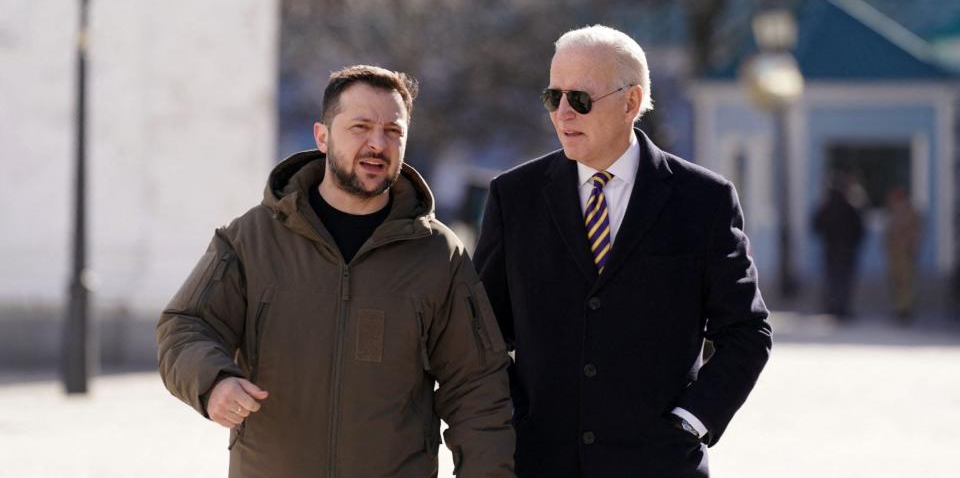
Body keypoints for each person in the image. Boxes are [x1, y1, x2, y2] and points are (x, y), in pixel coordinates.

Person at [157, 65, 514, 478]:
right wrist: (213, 381)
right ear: (322, 137)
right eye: (360, 127)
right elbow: (184, 326)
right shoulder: (251, 239)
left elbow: (478, 387)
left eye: (393, 132)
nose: (377, 144)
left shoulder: (439, 255)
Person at [474, 25, 772, 477]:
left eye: (580, 99)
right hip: (542, 463)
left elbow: (747, 332)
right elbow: (483, 335)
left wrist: (692, 421)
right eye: (553, 98)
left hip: (660, 464)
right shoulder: (514, 197)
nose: (563, 114)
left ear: (631, 102)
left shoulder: (703, 200)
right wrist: (517, 415)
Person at [812, 172, 866, 320]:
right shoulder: (851, 206)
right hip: (846, 251)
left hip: (831, 249)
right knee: (844, 281)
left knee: (832, 279)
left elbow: (816, 226)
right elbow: (860, 229)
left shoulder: (827, 206)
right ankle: (842, 309)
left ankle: (833, 308)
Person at [884, 187, 922, 323]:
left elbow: (915, 232)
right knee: (896, 281)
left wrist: (911, 247)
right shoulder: (893, 212)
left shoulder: (909, 211)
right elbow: (889, 234)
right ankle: (900, 308)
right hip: (895, 253)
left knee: (906, 283)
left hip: (905, 253)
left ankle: (904, 310)